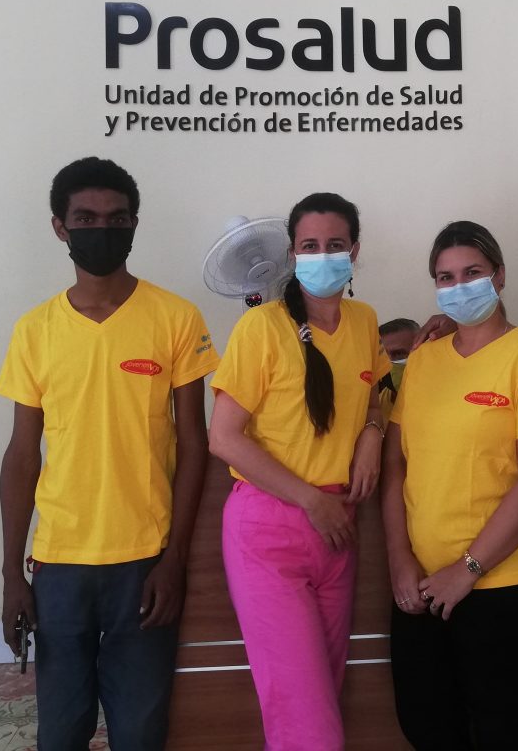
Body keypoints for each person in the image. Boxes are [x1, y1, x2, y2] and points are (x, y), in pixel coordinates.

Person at [0, 157, 218, 750]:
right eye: (86, 218)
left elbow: (194, 444)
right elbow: (22, 455)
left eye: (117, 218)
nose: (102, 228)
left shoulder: (176, 318)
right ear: (60, 227)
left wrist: (175, 559)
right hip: (59, 562)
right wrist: (12, 574)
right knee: (60, 730)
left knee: (141, 731)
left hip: (145, 560)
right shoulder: (34, 330)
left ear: (135, 224)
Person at [208, 192, 389, 750]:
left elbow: (380, 392)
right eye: (310, 246)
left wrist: (372, 434)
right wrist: (311, 500)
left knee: (316, 701)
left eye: (335, 244)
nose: (323, 255)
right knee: (307, 722)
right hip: (271, 530)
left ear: (354, 251)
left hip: (338, 531)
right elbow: (223, 437)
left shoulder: (364, 321)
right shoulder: (261, 328)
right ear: (291, 253)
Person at [382, 221, 518, 750]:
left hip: (502, 588)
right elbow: (395, 464)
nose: (458, 286)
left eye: (472, 272)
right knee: (426, 727)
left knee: (503, 732)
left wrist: (467, 570)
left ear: (500, 276)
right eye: (445, 277)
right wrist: (399, 559)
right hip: (422, 587)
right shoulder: (423, 359)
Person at [377, 317, 419, 420]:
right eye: (382, 355)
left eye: (398, 353)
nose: (388, 362)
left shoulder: (439, 401)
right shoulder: (376, 404)